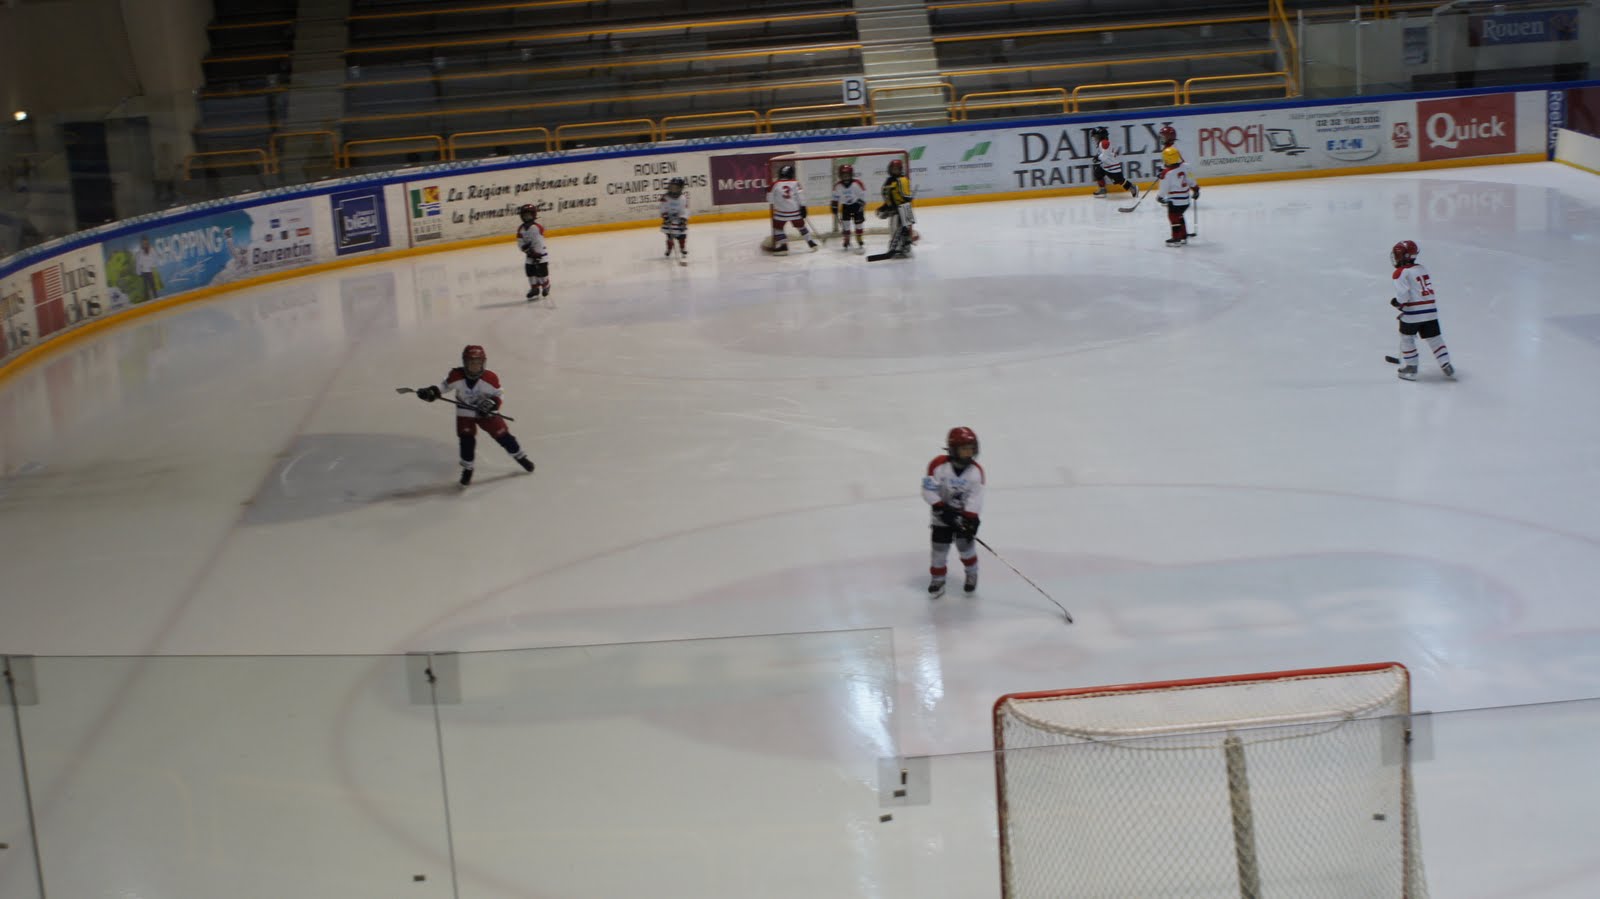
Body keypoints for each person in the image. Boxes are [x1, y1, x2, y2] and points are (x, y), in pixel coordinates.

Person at [413, 345, 535, 486]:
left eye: (478, 363)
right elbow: (444, 386)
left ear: (483, 363)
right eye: (471, 363)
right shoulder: (456, 375)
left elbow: (499, 393)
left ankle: (520, 457)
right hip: (465, 411)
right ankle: (468, 468)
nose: (475, 366)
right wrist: (432, 392)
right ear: (465, 363)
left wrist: (492, 403)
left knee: (502, 435)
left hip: (486, 411)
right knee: (466, 440)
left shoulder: (490, 378)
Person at [922, 427, 985, 596]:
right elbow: (928, 490)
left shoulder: (976, 472)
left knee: (965, 547)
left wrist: (971, 519)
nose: (969, 453)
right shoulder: (938, 465)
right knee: (939, 549)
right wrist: (940, 507)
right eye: (964, 449)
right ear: (953, 449)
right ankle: (938, 579)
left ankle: (972, 573)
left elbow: (975, 498)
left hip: (963, 517)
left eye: (971, 448)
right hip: (941, 517)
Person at [1388, 240, 1455, 381]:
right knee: (1435, 338)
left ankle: (1411, 367)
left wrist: (1398, 303)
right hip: (1431, 312)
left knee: (1407, 338)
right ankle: (1446, 364)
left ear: (1403, 256)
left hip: (1413, 314)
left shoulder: (1400, 273)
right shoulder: (1421, 268)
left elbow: (1403, 296)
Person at [767, 163, 818, 254]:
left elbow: (770, 200)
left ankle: (783, 247)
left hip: (781, 213)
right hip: (795, 212)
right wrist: (803, 207)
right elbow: (801, 196)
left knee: (777, 228)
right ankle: (811, 243)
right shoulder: (795, 183)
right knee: (801, 227)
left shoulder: (774, 184)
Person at [873, 158, 916, 260]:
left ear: (900, 169)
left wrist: (906, 199)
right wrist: (884, 208)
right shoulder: (889, 181)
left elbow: (906, 195)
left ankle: (904, 247)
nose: (895, 171)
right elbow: (889, 198)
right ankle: (896, 246)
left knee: (903, 230)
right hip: (895, 210)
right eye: (893, 169)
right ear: (890, 169)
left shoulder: (903, 180)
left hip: (904, 209)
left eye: (897, 169)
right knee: (894, 229)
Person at [1156, 145, 1198, 247]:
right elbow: (1191, 180)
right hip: (1186, 201)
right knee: (1179, 215)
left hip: (1175, 202)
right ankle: (1183, 236)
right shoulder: (1185, 167)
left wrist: (1160, 197)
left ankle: (1176, 238)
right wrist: (1196, 190)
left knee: (1173, 218)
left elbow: (1164, 188)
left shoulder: (1167, 173)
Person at [1090, 126, 1138, 200]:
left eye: (1096, 136)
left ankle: (1132, 187)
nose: (1095, 138)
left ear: (1101, 136)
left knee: (1120, 180)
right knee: (1097, 173)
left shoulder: (1104, 143)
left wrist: (1098, 157)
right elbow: (1104, 154)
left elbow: (1105, 156)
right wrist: (1098, 157)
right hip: (1105, 165)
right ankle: (1102, 189)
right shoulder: (1102, 143)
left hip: (1112, 167)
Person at [830, 163, 867, 252]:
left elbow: (863, 194)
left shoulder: (857, 183)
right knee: (845, 224)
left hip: (857, 205)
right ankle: (847, 238)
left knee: (859, 223)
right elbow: (835, 197)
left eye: (847, 175)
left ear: (851, 174)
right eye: (843, 175)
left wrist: (861, 203)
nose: (846, 177)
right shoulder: (837, 186)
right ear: (840, 175)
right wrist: (834, 205)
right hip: (845, 206)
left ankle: (859, 237)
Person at [516, 204, 550, 299]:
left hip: (540, 255)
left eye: (529, 215)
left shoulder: (536, 227)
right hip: (529, 255)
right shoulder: (521, 229)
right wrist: (525, 249)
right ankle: (534, 288)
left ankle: (546, 285)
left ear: (533, 215)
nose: (526, 217)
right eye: (525, 215)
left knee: (542, 272)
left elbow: (538, 241)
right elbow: (520, 242)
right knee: (530, 271)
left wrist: (537, 253)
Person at [659, 177, 689, 260]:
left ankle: (682, 248)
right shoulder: (665, 197)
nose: (673, 189)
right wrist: (665, 216)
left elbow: (685, 210)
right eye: (672, 187)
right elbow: (662, 208)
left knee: (682, 235)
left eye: (675, 187)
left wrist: (683, 219)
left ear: (680, 188)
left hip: (679, 220)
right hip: (669, 220)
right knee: (669, 236)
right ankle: (669, 249)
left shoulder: (683, 198)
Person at [135, 235, 159, 300]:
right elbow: (138, 263)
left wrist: (153, 266)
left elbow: (156, 258)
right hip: (143, 273)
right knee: (145, 288)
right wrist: (138, 272)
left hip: (150, 272)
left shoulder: (152, 250)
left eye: (146, 243)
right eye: (143, 243)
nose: (145, 244)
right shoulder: (139, 253)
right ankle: (147, 300)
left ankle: (156, 298)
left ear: (148, 242)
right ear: (142, 244)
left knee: (153, 286)